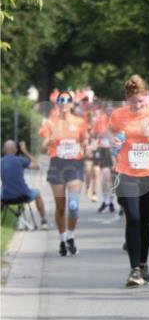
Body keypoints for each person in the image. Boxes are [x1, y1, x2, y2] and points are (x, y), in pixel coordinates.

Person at [109, 75, 149, 287]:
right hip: (127, 172)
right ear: (127, 99)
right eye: (134, 102)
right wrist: (114, 143)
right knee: (132, 218)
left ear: (147, 96)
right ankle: (134, 270)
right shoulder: (118, 115)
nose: (138, 106)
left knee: (145, 220)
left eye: (141, 101)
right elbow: (112, 138)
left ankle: (143, 263)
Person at [39, 91, 89, 255]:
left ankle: (70, 236)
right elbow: (42, 148)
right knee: (60, 207)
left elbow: (85, 140)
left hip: (75, 164)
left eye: (68, 100)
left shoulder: (80, 122)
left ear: (72, 103)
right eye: (61, 100)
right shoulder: (50, 123)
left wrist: (87, 146)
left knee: (73, 206)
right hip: (57, 165)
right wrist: (50, 139)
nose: (64, 103)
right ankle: (62, 239)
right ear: (57, 103)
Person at [1, 140, 49, 227]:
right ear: (16, 150)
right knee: (37, 193)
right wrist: (25, 151)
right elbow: (37, 166)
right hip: (23, 195)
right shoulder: (21, 160)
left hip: (6, 197)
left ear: (4, 150)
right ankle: (44, 221)